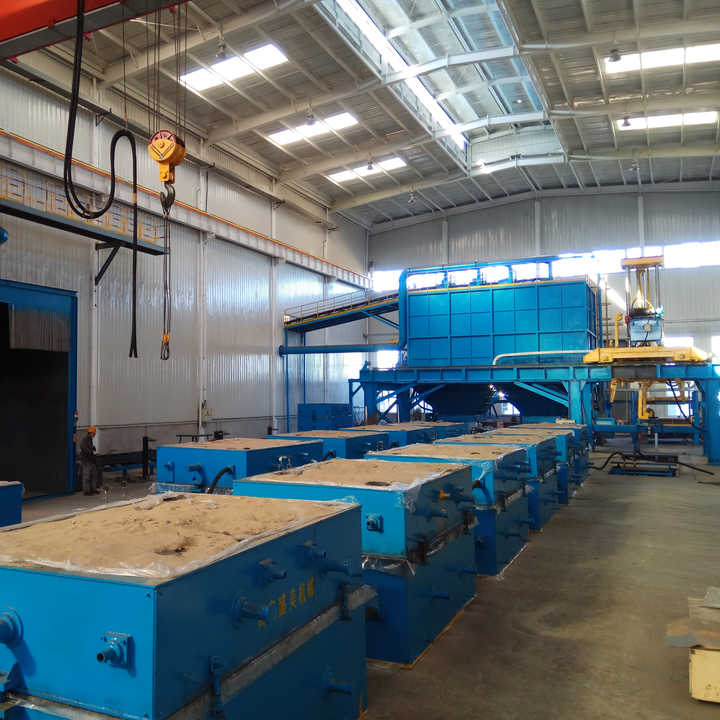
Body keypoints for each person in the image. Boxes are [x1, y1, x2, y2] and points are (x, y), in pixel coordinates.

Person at [80, 426, 99, 496]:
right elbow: (83, 447)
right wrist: (90, 451)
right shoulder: (85, 439)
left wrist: (92, 448)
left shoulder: (90, 439)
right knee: (87, 476)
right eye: (94, 433)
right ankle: (86, 491)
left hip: (91, 460)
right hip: (86, 460)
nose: (94, 435)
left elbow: (88, 448)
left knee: (94, 475)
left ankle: (93, 489)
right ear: (91, 433)